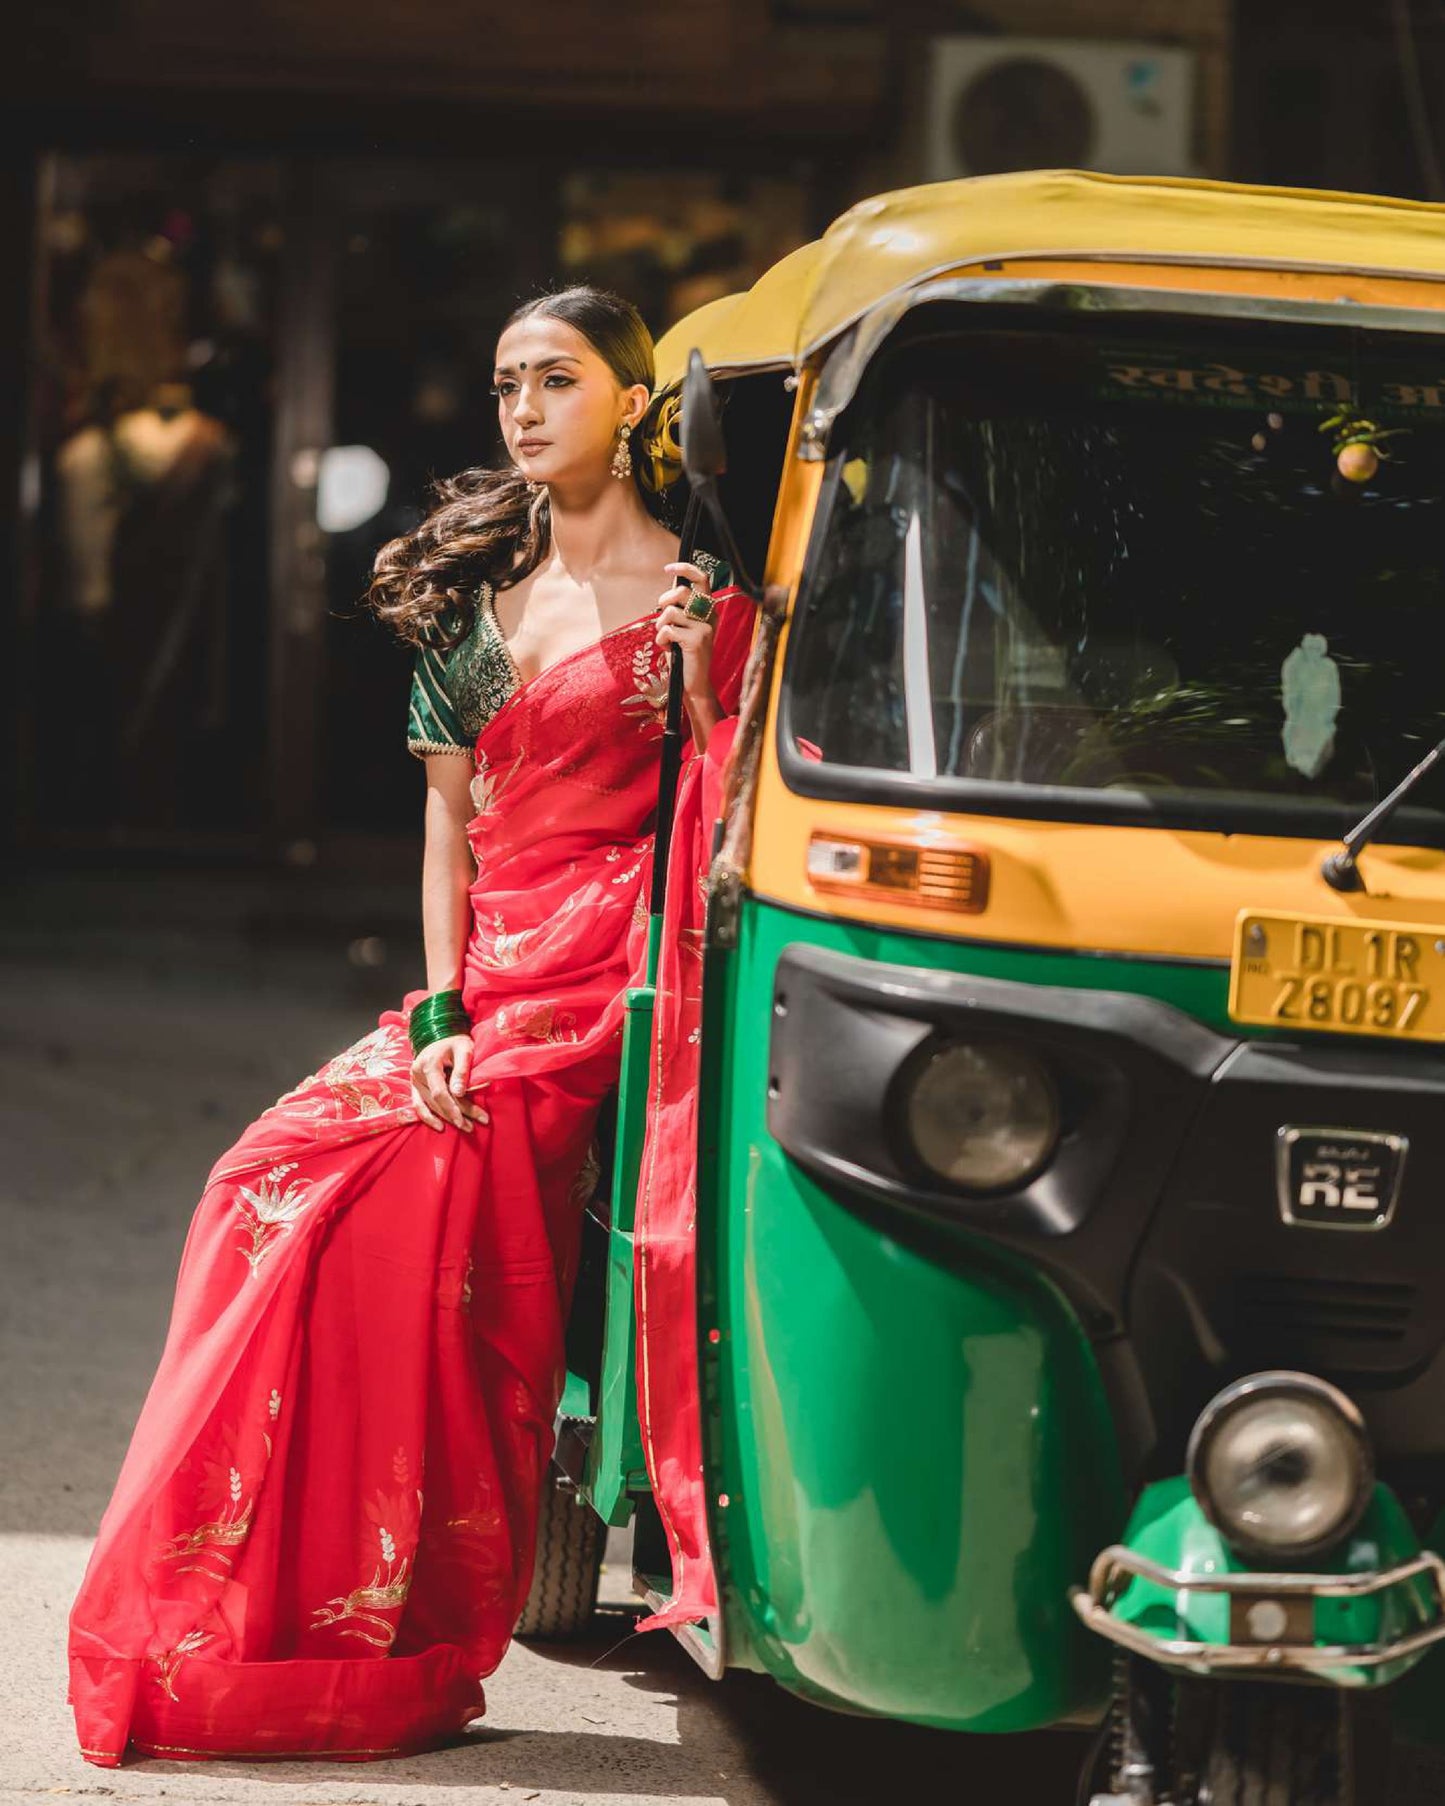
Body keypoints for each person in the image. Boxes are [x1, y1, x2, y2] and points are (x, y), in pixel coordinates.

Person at [66, 286, 754, 1765]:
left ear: (632, 403)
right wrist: (441, 1009)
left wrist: (705, 682)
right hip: (488, 976)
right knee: (265, 1178)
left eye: (555, 379)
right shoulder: (477, 601)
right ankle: (274, 1607)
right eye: (506, 380)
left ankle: (401, 1592)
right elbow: (447, 837)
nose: (521, 407)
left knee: (395, 1203)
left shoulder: (697, 596)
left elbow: (719, 807)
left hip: (611, 979)